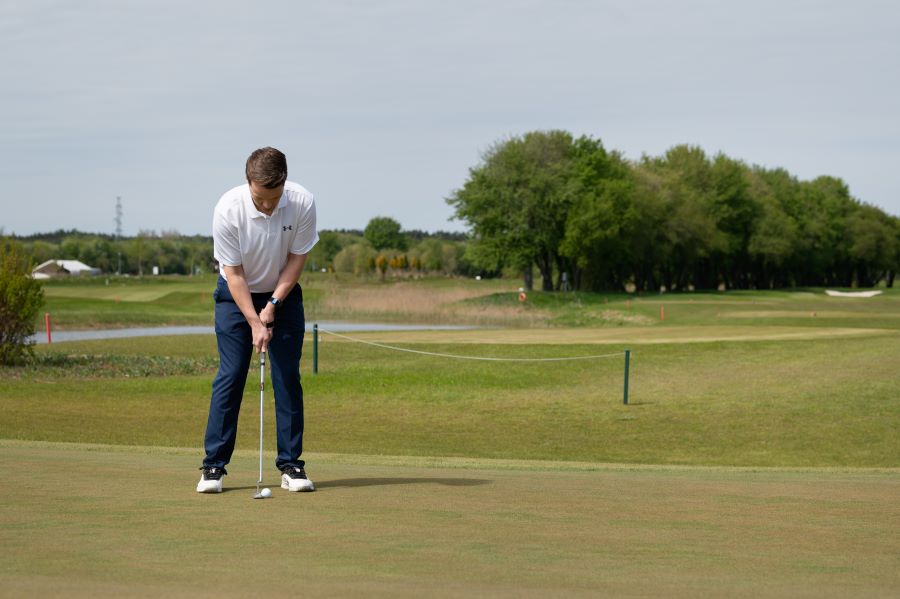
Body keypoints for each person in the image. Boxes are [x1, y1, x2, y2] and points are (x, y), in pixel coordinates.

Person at [197, 147, 318, 493]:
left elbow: (297, 260)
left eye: (273, 199)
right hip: (236, 295)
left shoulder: (302, 202)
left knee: (286, 376)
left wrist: (274, 304)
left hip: (283, 290)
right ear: (248, 183)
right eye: (260, 199)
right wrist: (254, 320)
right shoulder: (228, 209)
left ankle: (292, 466)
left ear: (284, 184)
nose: (267, 206)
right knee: (231, 374)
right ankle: (213, 467)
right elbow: (233, 275)